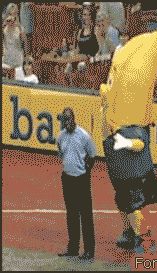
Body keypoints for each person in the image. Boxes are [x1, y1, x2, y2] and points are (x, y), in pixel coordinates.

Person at [100, 24, 157, 253]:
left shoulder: (132, 124)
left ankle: (142, 238)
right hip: (116, 154)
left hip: (125, 156)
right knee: (122, 199)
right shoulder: (114, 98)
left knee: (132, 202)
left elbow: (139, 144)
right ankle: (129, 233)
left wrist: (124, 142)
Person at [57, 108, 96, 260]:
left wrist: (86, 171)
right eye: (64, 120)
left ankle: (89, 250)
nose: (67, 123)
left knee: (85, 215)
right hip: (67, 178)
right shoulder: (60, 137)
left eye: (68, 119)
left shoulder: (84, 136)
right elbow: (61, 153)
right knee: (71, 214)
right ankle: (73, 248)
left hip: (81, 179)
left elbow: (92, 155)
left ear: (73, 118)